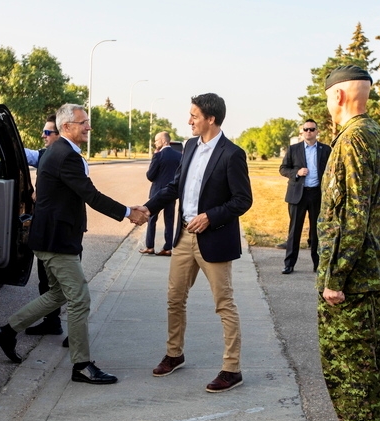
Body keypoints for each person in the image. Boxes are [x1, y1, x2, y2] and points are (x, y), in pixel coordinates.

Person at [0, 103, 148, 385]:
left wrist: (127, 208)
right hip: (57, 241)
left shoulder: (58, 151)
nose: (89, 126)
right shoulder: (65, 155)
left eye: (87, 121)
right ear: (66, 127)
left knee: (58, 295)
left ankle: (7, 332)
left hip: (52, 237)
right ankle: (82, 365)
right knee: (79, 298)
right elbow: (91, 195)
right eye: (83, 122)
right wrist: (127, 213)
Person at [313, 65, 380, 421]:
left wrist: (336, 276)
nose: (328, 105)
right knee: (364, 365)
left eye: (329, 97)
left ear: (341, 97)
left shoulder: (351, 141)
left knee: (353, 369)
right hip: (373, 273)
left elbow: (352, 218)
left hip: (352, 282)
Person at [143, 93, 252, 393]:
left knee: (224, 304)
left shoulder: (232, 154)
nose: (189, 120)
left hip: (214, 239)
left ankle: (232, 369)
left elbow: (243, 200)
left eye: (194, 115)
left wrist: (211, 217)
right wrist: (148, 208)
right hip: (183, 238)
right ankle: (174, 354)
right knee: (174, 299)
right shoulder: (189, 146)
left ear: (211, 119)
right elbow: (175, 186)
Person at [22, 115, 65, 335]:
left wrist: (43, 194)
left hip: (61, 232)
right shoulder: (43, 155)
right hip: (44, 229)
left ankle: (76, 332)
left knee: (64, 284)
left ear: (60, 134)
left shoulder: (73, 160)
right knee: (44, 279)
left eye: (47, 132)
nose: (43, 135)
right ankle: (51, 322)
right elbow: (24, 154)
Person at [278, 119, 331, 274]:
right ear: (302, 132)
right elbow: (283, 169)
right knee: (294, 230)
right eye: (306, 129)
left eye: (312, 129)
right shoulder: (293, 149)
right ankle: (289, 264)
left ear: (317, 131)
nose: (309, 132)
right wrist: (297, 173)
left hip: (316, 194)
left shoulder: (325, 150)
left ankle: (318, 264)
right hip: (298, 195)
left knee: (316, 231)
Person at [140, 131, 182, 256]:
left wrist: (154, 160)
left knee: (152, 219)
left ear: (164, 141)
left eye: (156, 140)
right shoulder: (179, 156)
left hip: (157, 194)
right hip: (171, 193)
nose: (155, 143)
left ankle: (150, 247)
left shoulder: (158, 156)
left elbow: (150, 176)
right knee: (169, 220)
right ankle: (168, 248)